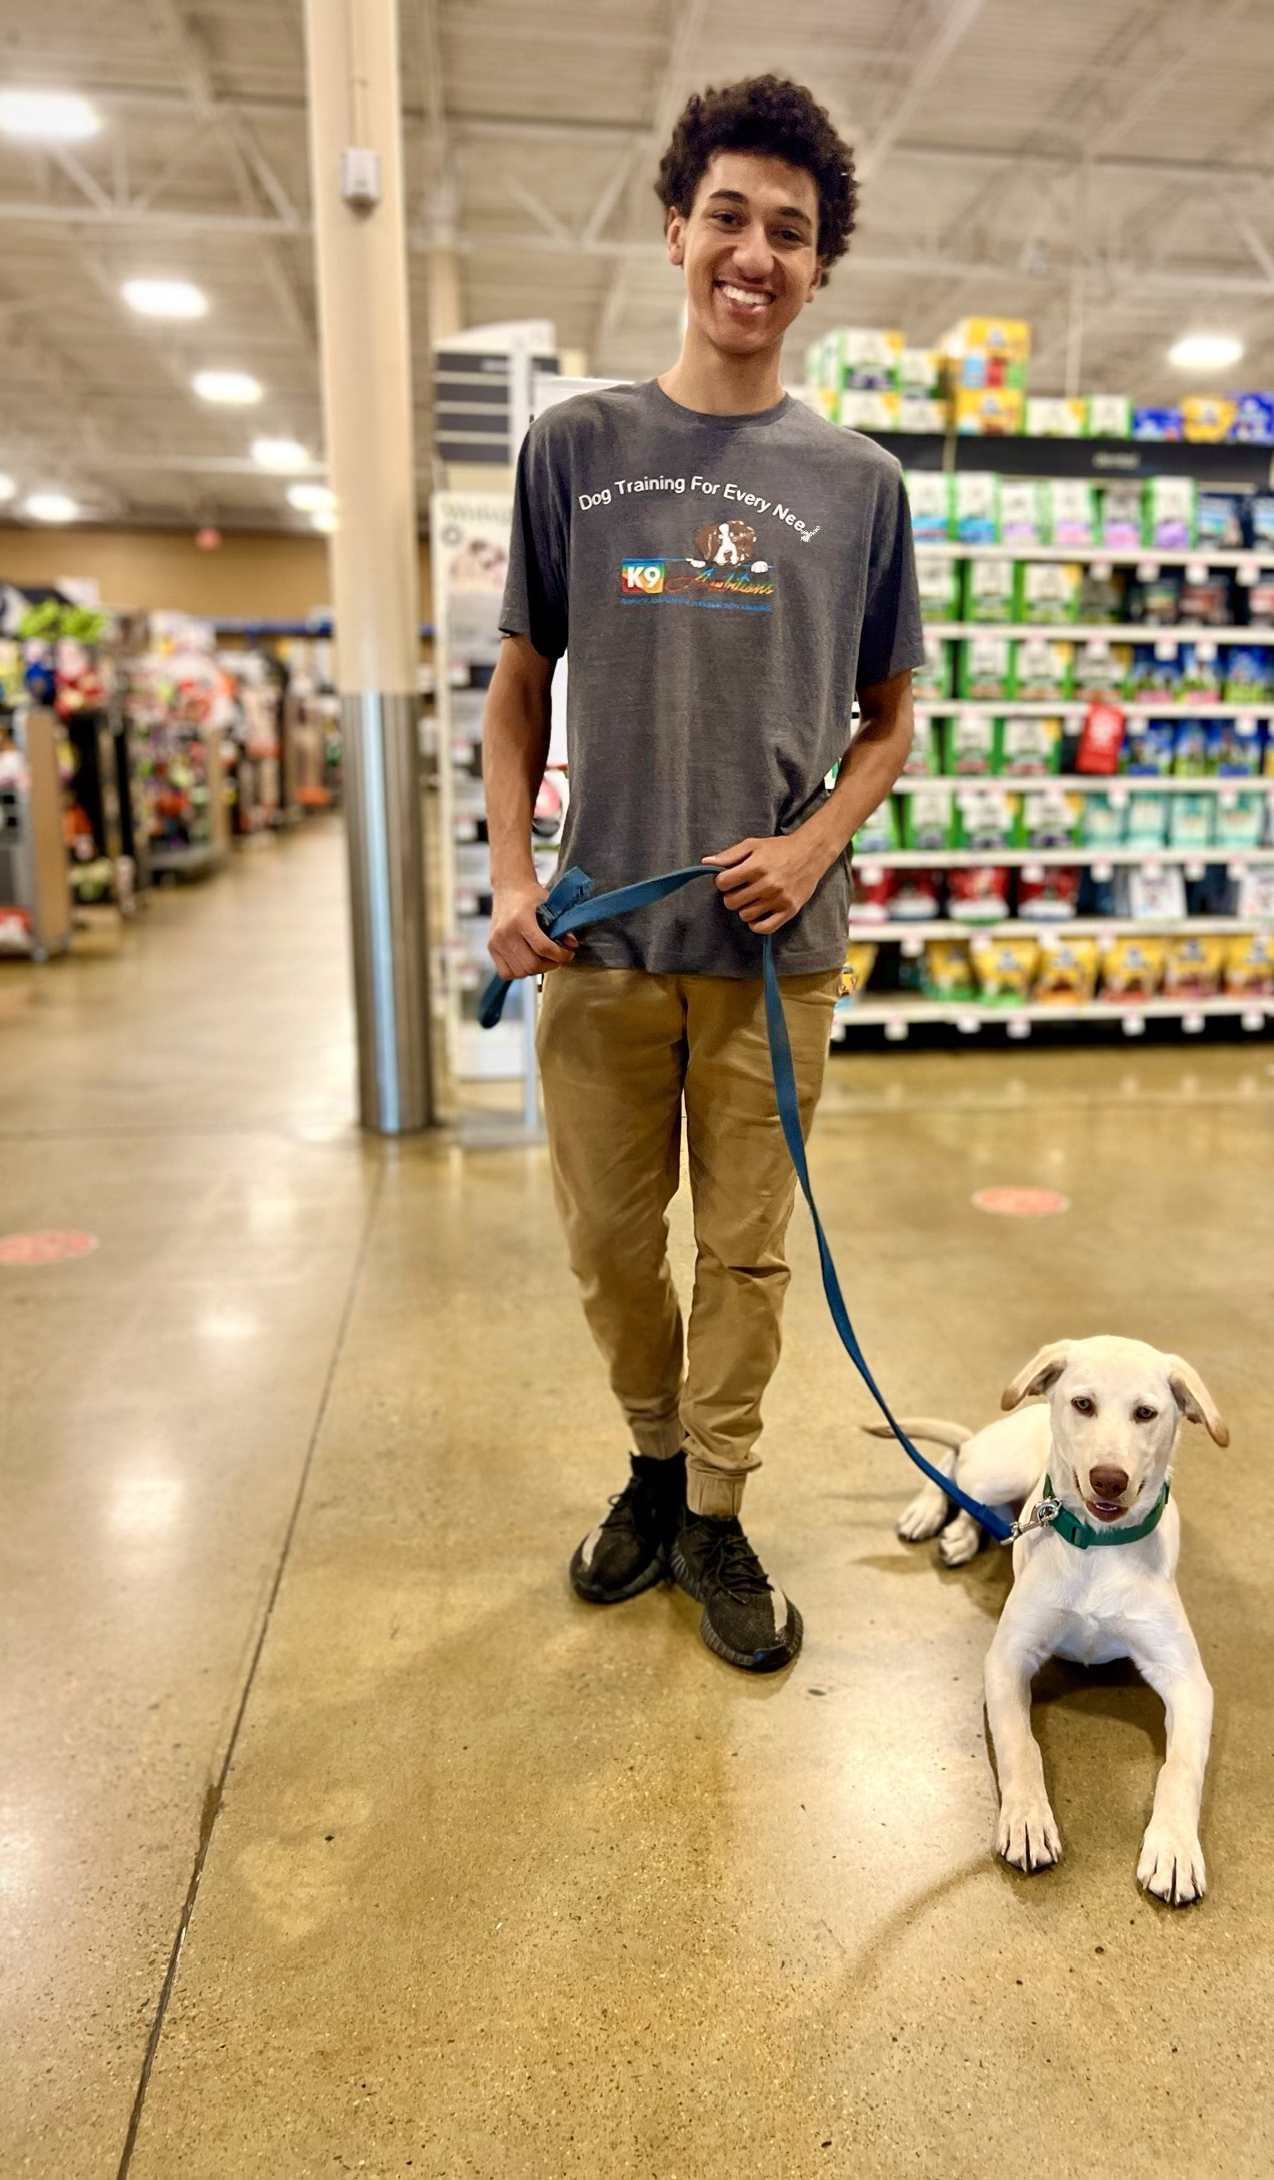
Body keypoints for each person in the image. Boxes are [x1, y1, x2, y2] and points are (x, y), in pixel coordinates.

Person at [484, 74, 922, 1672]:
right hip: (599, 947)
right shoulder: (576, 447)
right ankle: (651, 1464)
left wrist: (813, 842)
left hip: (775, 957)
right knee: (611, 1244)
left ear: (818, 271)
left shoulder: (861, 484)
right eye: (728, 215)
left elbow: (891, 722)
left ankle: (720, 1512)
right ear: (677, 229)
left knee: (746, 1250)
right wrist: (510, 872)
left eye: (790, 233)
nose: (754, 251)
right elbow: (522, 679)